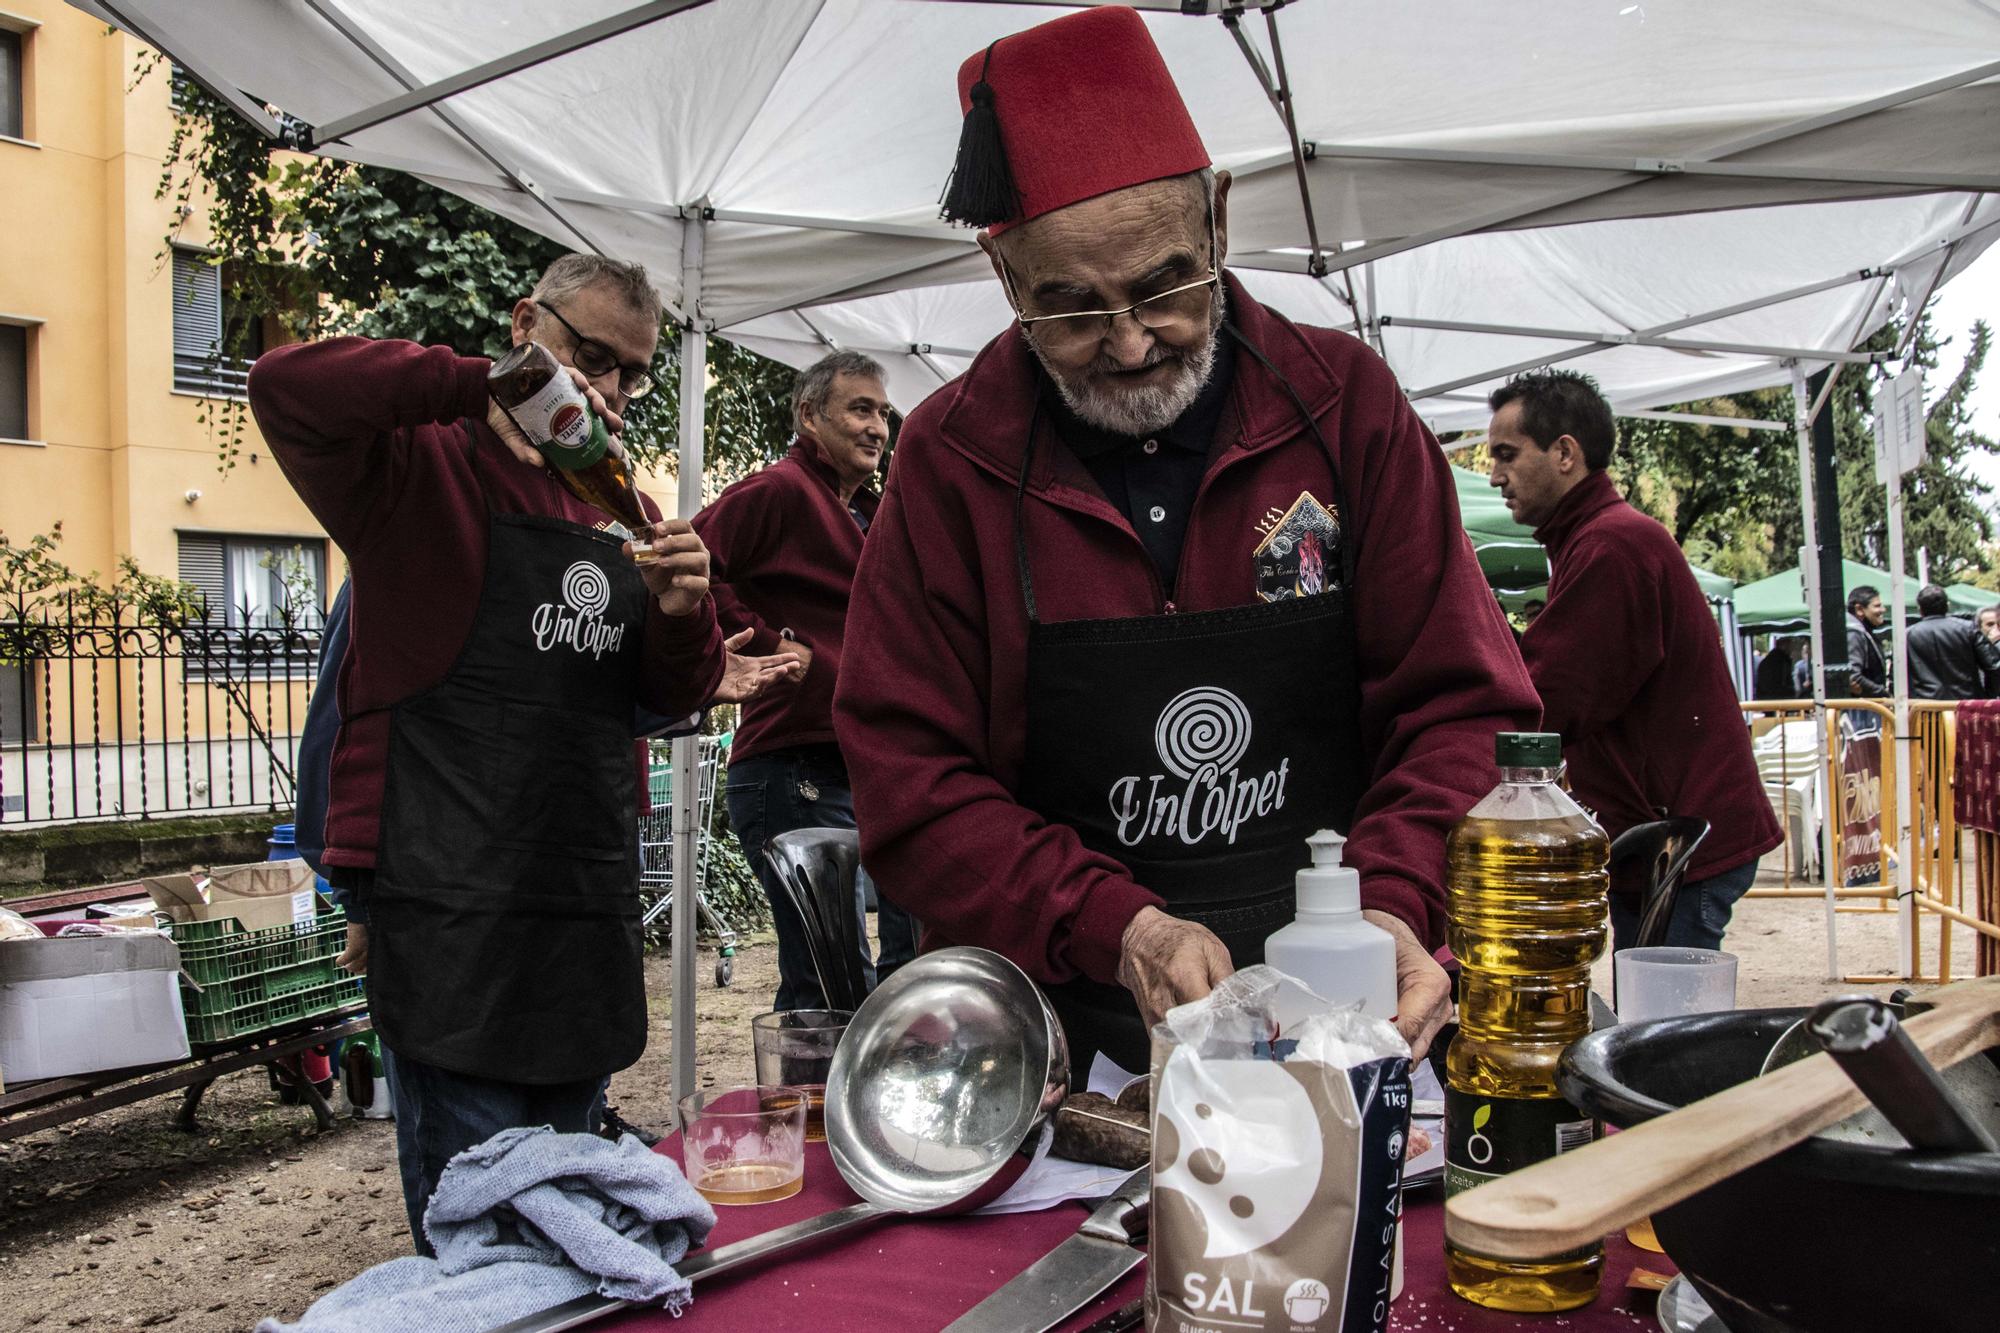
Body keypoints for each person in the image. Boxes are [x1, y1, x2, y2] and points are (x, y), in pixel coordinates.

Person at [834, 7, 1539, 1075]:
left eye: (1164, 286)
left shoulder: (1342, 406)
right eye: (1068, 309)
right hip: (1061, 1042)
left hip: (1346, 1019)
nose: (1126, 343)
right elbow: (907, 775)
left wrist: (1391, 903)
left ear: (1216, 217)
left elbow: (1460, 705)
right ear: (1005, 276)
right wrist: (1116, 923)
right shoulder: (950, 458)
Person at [247, 253, 798, 1254]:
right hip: (444, 889)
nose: (609, 389)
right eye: (587, 355)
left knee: (572, 1177)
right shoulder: (412, 468)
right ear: (522, 325)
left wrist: (682, 615)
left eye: (630, 372)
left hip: (577, 889)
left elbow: (660, 696)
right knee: (482, 1197)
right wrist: (491, 387)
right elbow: (284, 386)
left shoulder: (617, 503)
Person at [1487, 369, 1781, 951]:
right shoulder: (1596, 540)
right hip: (1659, 833)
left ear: (1565, 453)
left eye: (1506, 455)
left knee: (1664, 1030)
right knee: (1657, 1017)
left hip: (1676, 839)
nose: (1495, 476)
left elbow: (1545, 701)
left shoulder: (1611, 545)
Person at [695, 351, 919, 1009]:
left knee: (905, 971)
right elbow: (687, 567)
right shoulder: (779, 490)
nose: (878, 426)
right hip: (791, 769)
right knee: (829, 985)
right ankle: (806, 1115)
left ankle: (867, 1112)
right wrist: (772, 648)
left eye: (883, 412)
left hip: (869, 769)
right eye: (860, 408)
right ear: (809, 416)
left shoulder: (873, 514)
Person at [1906, 583, 2000, 700]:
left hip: (1926, 708)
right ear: (1948, 605)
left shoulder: (1907, 635)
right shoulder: (1968, 629)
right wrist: (1988, 696)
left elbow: (1899, 675)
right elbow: (1993, 666)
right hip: (1967, 706)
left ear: (1920, 609)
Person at [1846, 586, 1888, 696]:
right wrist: (1882, 693)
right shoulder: (1854, 633)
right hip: (1863, 708)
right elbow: (1853, 677)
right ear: (1859, 609)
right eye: (1877, 606)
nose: (1883, 610)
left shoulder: (1862, 632)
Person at [1755, 635, 1805, 700]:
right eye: (1790, 643)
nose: (1793, 647)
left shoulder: (1773, 659)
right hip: (1777, 701)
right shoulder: (1780, 661)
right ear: (1784, 645)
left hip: (1768, 700)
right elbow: (1781, 684)